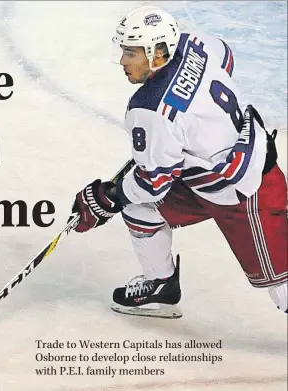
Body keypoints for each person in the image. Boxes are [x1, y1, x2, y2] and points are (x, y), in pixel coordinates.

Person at [71, 5, 287, 318]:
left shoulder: (149, 108)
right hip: (213, 174)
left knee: (282, 284)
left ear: (156, 53)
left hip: (246, 189)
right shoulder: (191, 42)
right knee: (139, 208)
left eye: (130, 53)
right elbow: (226, 57)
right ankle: (162, 285)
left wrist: (108, 198)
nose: (122, 61)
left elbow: (154, 182)